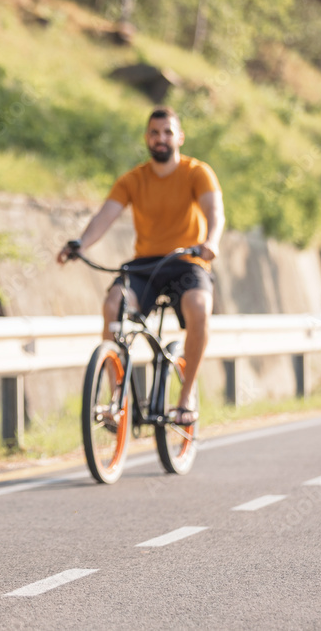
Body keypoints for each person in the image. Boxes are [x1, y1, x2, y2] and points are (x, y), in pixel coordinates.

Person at [57, 107, 225, 425]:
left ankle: (186, 395)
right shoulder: (134, 179)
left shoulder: (196, 172)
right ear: (147, 138)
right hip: (145, 265)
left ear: (179, 137)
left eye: (167, 132)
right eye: (154, 133)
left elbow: (214, 210)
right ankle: (115, 400)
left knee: (200, 306)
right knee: (113, 304)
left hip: (187, 260)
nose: (160, 139)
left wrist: (212, 240)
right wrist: (80, 244)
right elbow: (104, 217)